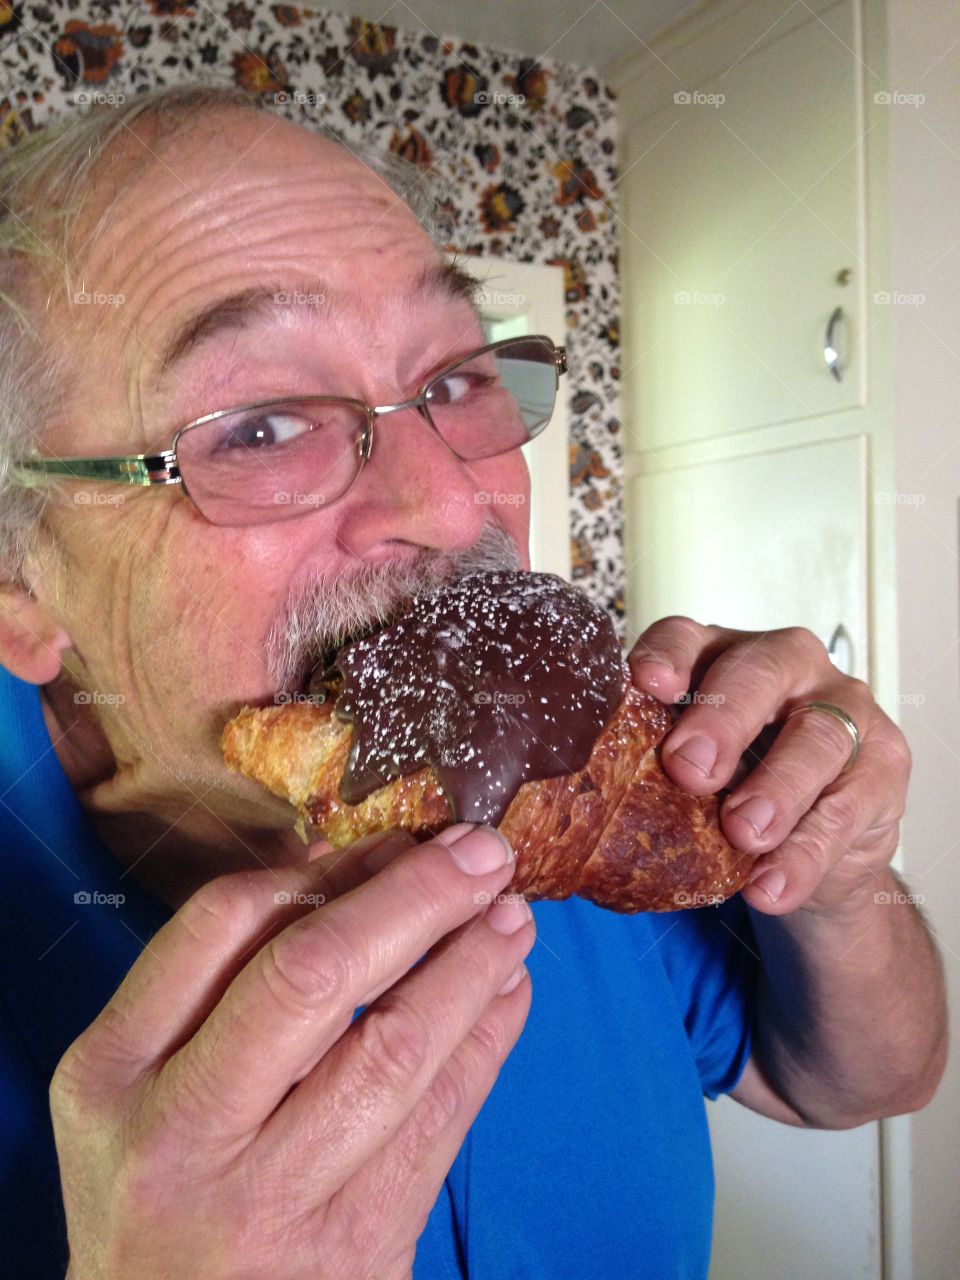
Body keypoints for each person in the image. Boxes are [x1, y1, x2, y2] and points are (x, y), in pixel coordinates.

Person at [0, 84, 946, 1279]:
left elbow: (852, 1082)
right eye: (257, 426)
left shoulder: (583, 794)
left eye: (454, 382)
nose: (457, 503)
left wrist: (831, 875)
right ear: (18, 579)